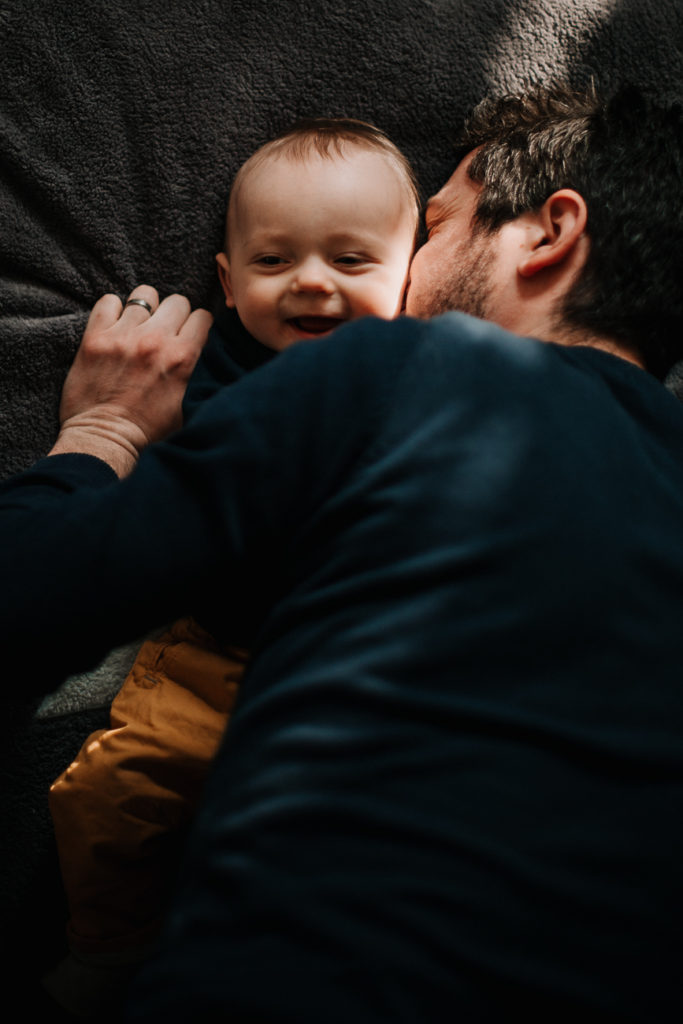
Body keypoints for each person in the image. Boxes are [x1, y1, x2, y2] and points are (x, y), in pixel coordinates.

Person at [2, 83, 683, 1022]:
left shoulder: (414, 370)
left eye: (432, 229)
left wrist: (107, 431)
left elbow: (26, 600)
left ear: (547, 233)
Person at [43, 117, 420, 1012]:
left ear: (414, 273)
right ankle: (108, 941)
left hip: (355, 674)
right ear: (226, 278)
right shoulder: (219, 374)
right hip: (205, 663)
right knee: (107, 793)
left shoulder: (420, 369)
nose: (313, 284)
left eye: (353, 262)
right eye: (275, 262)